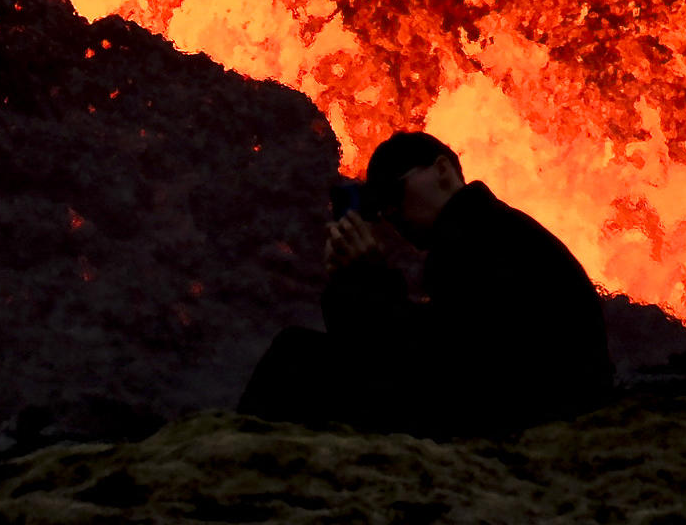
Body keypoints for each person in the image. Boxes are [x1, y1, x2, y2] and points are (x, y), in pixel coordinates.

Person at [238, 131, 613, 435]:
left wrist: (368, 278)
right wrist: (351, 280)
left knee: (295, 358)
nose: (391, 214)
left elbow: (430, 357)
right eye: (380, 205)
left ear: (443, 171)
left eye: (394, 193)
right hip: (525, 400)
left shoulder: (483, 238)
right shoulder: (484, 231)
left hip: (526, 408)